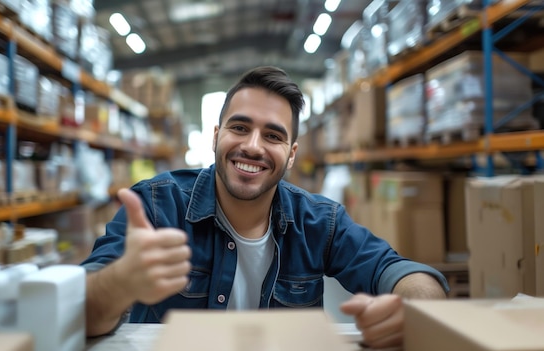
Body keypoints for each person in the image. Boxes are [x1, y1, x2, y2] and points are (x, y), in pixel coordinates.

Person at [81, 66, 448, 349]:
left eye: (272, 136)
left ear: (291, 156)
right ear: (216, 136)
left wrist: (415, 313)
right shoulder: (158, 208)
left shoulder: (319, 222)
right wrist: (121, 280)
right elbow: (79, 315)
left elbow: (404, 273)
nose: (253, 146)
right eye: (239, 128)